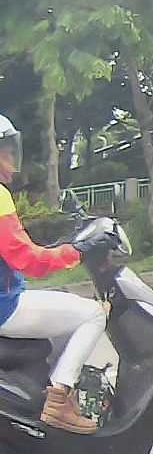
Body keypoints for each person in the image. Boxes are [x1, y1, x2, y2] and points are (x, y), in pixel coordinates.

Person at [0, 113, 105, 433]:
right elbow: (26, 259)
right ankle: (58, 401)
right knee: (93, 314)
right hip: (5, 305)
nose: (11, 159)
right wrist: (75, 252)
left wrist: (58, 247)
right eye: (6, 150)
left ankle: (51, 391)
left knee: (63, 312)